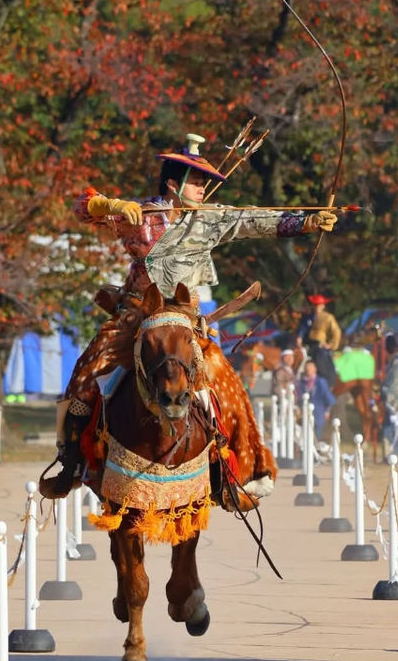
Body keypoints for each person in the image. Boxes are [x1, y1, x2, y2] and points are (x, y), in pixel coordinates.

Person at [39, 132, 338, 498]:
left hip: (186, 319)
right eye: (196, 182)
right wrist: (108, 205)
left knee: (227, 386)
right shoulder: (139, 215)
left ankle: (242, 471)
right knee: (86, 375)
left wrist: (304, 223)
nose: (202, 189)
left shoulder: (208, 220)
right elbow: (80, 207)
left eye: (204, 183)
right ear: (172, 183)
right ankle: (70, 462)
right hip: (136, 315)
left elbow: (254, 221)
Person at [296, 293, 341, 388]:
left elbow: (336, 332)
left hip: (320, 346)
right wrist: (299, 338)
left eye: (319, 305)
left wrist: (331, 345)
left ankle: (327, 384)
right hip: (307, 345)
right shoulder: (308, 318)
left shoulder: (328, 318)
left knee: (321, 361)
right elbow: (302, 328)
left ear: (323, 306)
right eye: (315, 305)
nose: (317, 307)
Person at [296, 358, 336, 441]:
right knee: (305, 437)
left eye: (311, 367)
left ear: (315, 369)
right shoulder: (301, 383)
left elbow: (328, 398)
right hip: (304, 414)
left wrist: (327, 411)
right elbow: (298, 397)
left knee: (317, 436)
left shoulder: (321, 382)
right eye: (307, 368)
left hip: (318, 413)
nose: (308, 370)